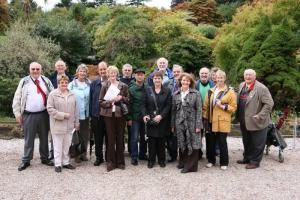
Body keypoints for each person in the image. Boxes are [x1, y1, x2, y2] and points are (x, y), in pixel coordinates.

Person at [12, 62, 54, 171]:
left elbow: (53, 95)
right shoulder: (24, 81)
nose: (35, 71)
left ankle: (45, 158)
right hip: (28, 114)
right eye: (33, 69)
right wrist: (17, 113)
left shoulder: (46, 81)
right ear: (29, 69)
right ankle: (26, 160)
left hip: (44, 114)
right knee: (29, 138)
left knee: (44, 138)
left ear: (41, 70)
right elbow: (17, 98)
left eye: (37, 69)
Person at [236, 69, 274, 169]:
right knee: (247, 140)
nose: (248, 77)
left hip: (257, 120)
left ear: (255, 76)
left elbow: (269, 103)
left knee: (258, 143)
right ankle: (247, 158)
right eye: (246, 75)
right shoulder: (242, 85)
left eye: (250, 75)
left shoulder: (261, 88)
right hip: (244, 119)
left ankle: (255, 162)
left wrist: (260, 115)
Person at [203, 70, 237, 170]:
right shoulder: (210, 91)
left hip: (222, 121)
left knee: (222, 142)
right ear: (215, 79)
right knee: (210, 142)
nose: (219, 79)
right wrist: (205, 117)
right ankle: (211, 161)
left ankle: (224, 162)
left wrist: (223, 106)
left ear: (224, 78)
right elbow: (205, 106)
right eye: (217, 77)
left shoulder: (230, 92)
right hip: (210, 120)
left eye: (221, 77)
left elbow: (233, 107)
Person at [171, 73, 202, 173]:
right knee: (181, 141)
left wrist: (198, 125)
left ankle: (191, 166)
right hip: (179, 123)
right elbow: (173, 111)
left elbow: (199, 110)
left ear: (190, 82)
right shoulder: (176, 94)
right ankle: (183, 162)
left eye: (187, 80)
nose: (185, 82)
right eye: (183, 80)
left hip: (192, 123)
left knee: (193, 143)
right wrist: (172, 125)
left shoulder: (196, 93)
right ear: (180, 81)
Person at [99, 66, 129, 172]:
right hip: (108, 115)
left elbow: (128, 100)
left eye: (114, 73)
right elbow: (100, 101)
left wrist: (122, 98)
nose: (112, 75)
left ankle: (120, 162)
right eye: (110, 73)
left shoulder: (123, 86)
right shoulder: (104, 85)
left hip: (120, 115)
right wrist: (110, 101)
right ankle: (110, 162)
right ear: (108, 74)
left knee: (120, 138)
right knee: (110, 139)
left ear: (117, 74)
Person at [47, 75, 79, 173]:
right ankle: (57, 164)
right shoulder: (52, 94)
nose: (64, 84)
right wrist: (63, 115)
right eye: (62, 82)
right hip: (57, 125)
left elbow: (76, 110)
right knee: (57, 145)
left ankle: (65, 162)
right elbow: (50, 109)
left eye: (65, 82)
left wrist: (76, 122)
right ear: (58, 83)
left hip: (69, 126)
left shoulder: (72, 94)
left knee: (67, 145)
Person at [142, 71, 172, 168]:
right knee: (151, 141)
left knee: (161, 141)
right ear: (152, 79)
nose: (157, 80)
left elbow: (168, 105)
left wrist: (161, 116)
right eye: (155, 78)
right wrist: (145, 115)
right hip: (151, 119)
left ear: (162, 79)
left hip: (163, 120)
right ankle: (151, 160)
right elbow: (143, 105)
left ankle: (161, 160)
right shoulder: (148, 90)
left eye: (159, 78)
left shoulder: (167, 91)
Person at [48, 59, 73, 160]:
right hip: (55, 108)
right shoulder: (50, 78)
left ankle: (65, 155)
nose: (60, 67)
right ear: (55, 68)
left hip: (67, 107)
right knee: (54, 132)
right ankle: (52, 152)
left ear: (65, 67)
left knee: (67, 134)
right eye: (58, 66)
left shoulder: (71, 78)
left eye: (62, 66)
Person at [68, 64, 91, 163]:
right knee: (75, 136)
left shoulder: (90, 84)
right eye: (80, 71)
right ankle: (75, 154)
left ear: (86, 73)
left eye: (84, 71)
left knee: (85, 135)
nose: (82, 73)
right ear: (77, 72)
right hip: (75, 114)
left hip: (86, 114)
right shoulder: (71, 85)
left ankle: (83, 153)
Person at [128, 68, 148, 166]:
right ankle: (134, 156)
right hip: (134, 117)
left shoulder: (148, 88)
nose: (140, 76)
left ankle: (143, 154)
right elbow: (129, 105)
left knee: (144, 137)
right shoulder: (131, 89)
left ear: (144, 76)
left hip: (145, 117)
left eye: (142, 74)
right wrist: (129, 118)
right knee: (134, 138)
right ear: (135, 76)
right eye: (138, 74)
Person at [89, 61, 108, 166]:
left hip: (109, 115)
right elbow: (91, 100)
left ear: (107, 69)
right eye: (101, 69)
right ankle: (99, 157)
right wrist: (92, 115)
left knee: (109, 138)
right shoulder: (94, 83)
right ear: (98, 71)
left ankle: (108, 157)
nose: (103, 71)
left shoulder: (112, 82)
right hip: (97, 116)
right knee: (98, 138)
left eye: (104, 69)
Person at [164, 64, 184, 163]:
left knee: (180, 134)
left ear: (182, 72)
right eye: (174, 72)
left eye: (178, 72)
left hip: (181, 112)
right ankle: (172, 155)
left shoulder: (185, 83)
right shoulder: (167, 83)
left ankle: (183, 155)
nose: (176, 73)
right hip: (169, 112)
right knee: (169, 134)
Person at [195, 67, 215, 159]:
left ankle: (210, 155)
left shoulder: (213, 85)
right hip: (197, 114)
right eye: (202, 73)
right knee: (197, 134)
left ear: (209, 74)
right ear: (199, 74)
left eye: (205, 73)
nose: (204, 75)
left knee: (209, 135)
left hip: (209, 114)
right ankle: (198, 153)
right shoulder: (195, 84)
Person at [119, 63, 135, 155]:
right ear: (122, 70)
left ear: (131, 71)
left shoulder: (134, 81)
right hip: (120, 110)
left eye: (129, 70)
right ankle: (121, 150)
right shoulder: (119, 80)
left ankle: (131, 150)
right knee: (121, 132)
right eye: (125, 70)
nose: (127, 72)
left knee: (131, 132)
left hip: (131, 110)